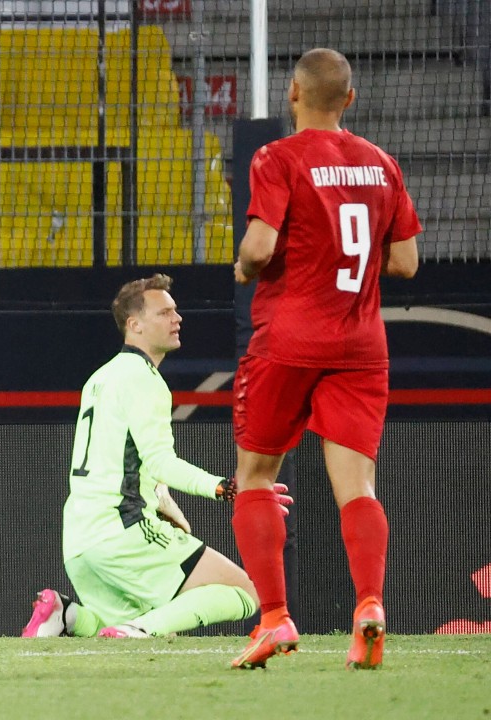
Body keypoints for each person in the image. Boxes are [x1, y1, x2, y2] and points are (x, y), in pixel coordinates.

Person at [230, 48, 421, 670]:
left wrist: (244, 264)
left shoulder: (277, 157)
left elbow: (259, 248)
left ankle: (276, 620)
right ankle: (368, 605)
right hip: (361, 342)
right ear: (350, 99)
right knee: (357, 487)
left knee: (256, 476)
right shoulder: (381, 164)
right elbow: (405, 262)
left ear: (292, 94)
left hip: (289, 337)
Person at [23, 275, 290, 640]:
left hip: (78, 540)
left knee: (141, 628)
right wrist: (224, 486)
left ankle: (65, 614)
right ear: (134, 325)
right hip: (121, 532)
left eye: (176, 311)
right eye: (164, 312)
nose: (177, 318)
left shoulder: (100, 378)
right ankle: (138, 628)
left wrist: (162, 498)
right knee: (246, 592)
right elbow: (160, 461)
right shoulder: (144, 379)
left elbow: (123, 459)